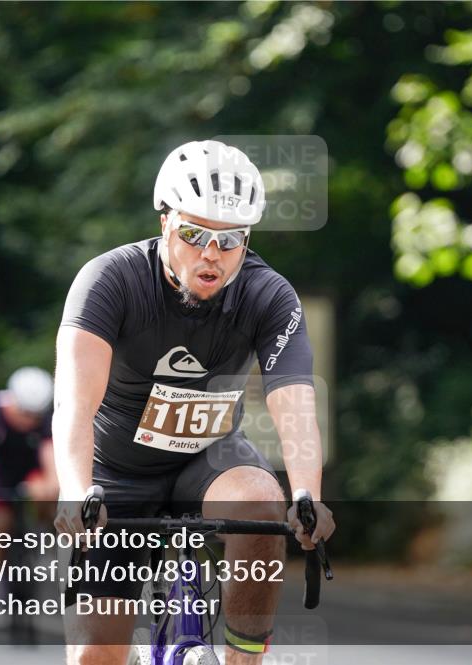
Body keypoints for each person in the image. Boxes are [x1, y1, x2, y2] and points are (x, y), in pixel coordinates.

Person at [54, 139, 335, 665]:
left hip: (210, 462)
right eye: (193, 233)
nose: (211, 253)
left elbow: (294, 404)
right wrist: (75, 490)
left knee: (260, 500)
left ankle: (244, 658)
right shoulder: (109, 281)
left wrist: (306, 494)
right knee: (94, 656)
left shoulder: (268, 295)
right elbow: (74, 404)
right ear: (165, 222)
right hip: (117, 473)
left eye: (230, 241)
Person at [0, 366, 59, 617]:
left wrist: (52, 485)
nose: (29, 421)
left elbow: (51, 455)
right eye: (25, 413)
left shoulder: (48, 415)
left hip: (32, 470)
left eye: (35, 416)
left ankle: (41, 536)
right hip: (2, 473)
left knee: (48, 491)